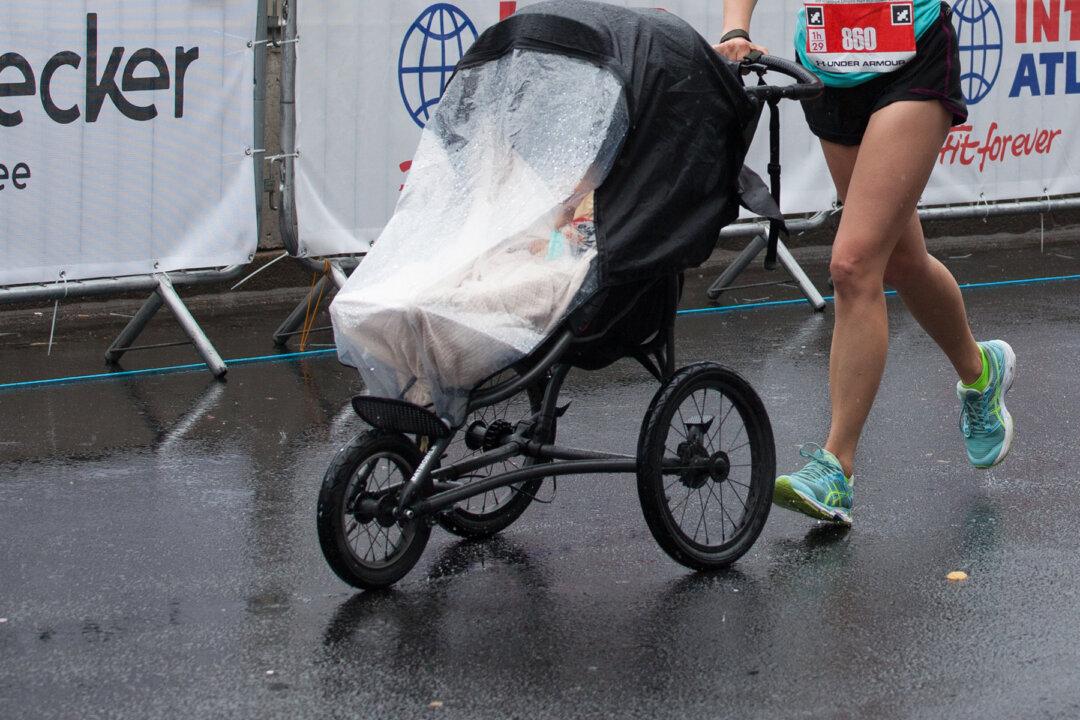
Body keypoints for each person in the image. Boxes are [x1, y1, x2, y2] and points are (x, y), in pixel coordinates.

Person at [715, 0, 1015, 526]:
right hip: (829, 68)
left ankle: (836, 468)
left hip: (911, 60)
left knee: (852, 264)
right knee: (901, 261)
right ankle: (979, 369)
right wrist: (736, 27)